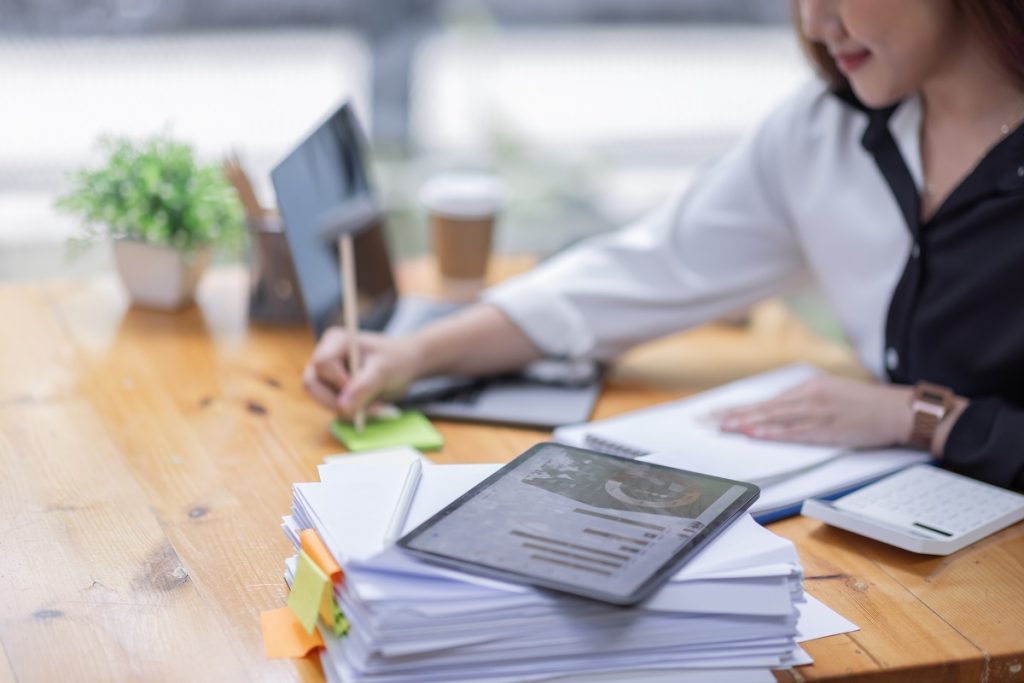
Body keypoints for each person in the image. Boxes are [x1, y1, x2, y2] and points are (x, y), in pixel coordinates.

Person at [304, 0, 1024, 490]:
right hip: (912, 544)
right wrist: (413, 353)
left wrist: (922, 417)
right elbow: (644, 270)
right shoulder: (824, 133)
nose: (815, 20)